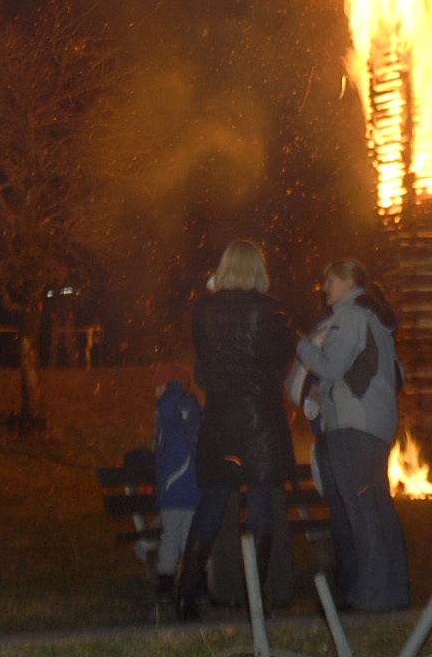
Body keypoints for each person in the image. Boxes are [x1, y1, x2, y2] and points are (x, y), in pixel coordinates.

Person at [174, 239, 296, 620]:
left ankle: (185, 595)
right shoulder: (272, 311)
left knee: (211, 504)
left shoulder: (203, 310)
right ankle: (255, 600)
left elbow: (204, 367)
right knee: (260, 506)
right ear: (258, 269)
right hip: (259, 422)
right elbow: (281, 360)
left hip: (220, 421)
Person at [293, 259, 409, 612]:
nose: (324, 288)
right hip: (378, 423)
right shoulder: (377, 319)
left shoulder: (349, 315)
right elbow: (397, 374)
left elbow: (330, 366)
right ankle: (394, 592)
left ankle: (369, 596)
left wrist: (302, 345)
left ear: (348, 281)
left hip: (352, 424)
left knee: (360, 510)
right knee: (380, 508)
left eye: (329, 280)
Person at [150, 364, 201, 603]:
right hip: (191, 490)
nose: (156, 393)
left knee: (171, 539)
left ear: (171, 387)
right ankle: (195, 585)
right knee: (187, 539)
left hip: (174, 490)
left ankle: (167, 585)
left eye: (160, 387)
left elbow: (164, 407)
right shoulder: (190, 411)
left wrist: (173, 387)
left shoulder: (171, 411)